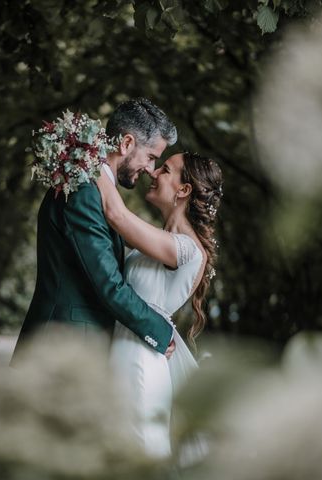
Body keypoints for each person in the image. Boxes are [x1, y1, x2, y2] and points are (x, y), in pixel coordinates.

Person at [11, 98, 179, 362]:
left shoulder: (91, 187)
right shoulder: (84, 191)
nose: (150, 170)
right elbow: (108, 282)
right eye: (150, 157)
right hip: (60, 350)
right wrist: (158, 330)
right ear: (126, 144)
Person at [96, 151, 223, 459]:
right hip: (127, 347)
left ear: (184, 190)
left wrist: (88, 156)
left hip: (140, 357)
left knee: (140, 452)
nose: (153, 173)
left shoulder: (186, 248)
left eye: (165, 169)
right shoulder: (165, 239)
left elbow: (117, 214)